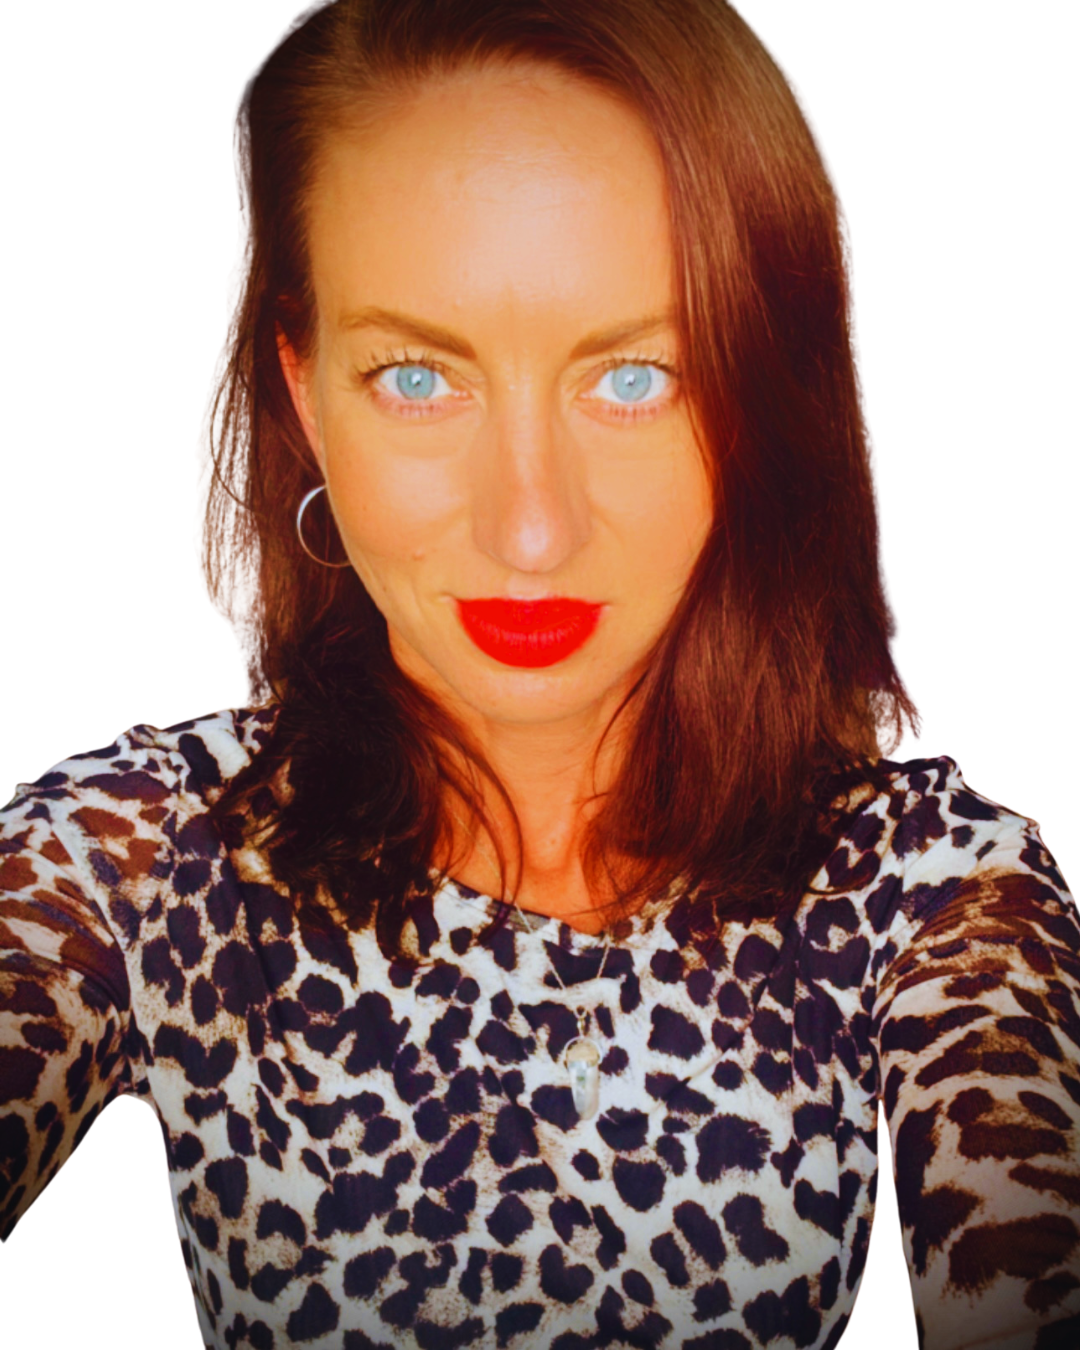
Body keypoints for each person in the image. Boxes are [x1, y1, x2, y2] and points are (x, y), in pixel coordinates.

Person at [1, 2, 1078, 1348]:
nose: (530, 529)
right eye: (416, 378)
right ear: (304, 389)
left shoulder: (927, 896)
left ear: (757, 396)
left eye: (635, 379)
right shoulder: (147, 852)